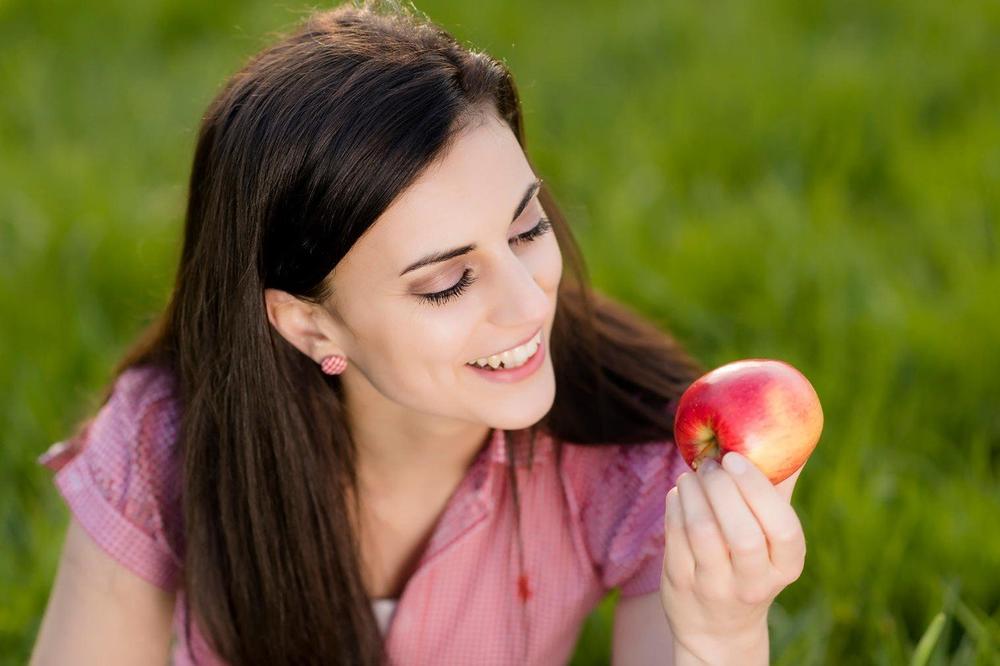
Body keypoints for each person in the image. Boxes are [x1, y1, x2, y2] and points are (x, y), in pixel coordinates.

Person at [29, 2, 807, 664]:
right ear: (308, 322)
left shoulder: (630, 449)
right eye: (446, 282)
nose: (527, 305)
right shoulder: (160, 445)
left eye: (527, 229)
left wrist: (721, 632)